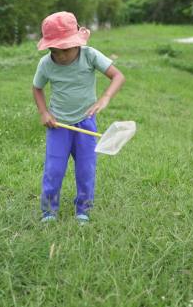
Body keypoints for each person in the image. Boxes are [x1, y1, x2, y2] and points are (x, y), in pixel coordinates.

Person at [32, 11, 125, 223]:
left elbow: (118, 76)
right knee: (53, 170)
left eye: (66, 49)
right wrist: (44, 112)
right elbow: (37, 88)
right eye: (56, 50)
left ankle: (83, 209)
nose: (62, 55)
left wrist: (105, 98)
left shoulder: (90, 55)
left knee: (86, 168)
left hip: (86, 122)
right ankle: (48, 211)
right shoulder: (46, 64)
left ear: (77, 42)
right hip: (58, 126)